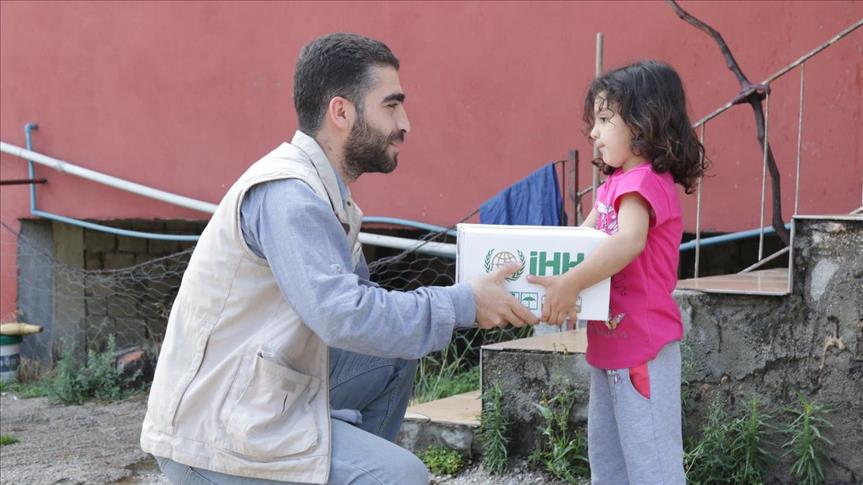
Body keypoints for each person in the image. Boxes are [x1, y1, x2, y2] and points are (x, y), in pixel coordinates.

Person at [141, 32, 538, 485]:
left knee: (392, 357)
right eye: (391, 106)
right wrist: (463, 303)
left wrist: (467, 301)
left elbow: (365, 321)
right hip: (210, 434)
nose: (405, 124)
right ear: (342, 112)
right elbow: (343, 316)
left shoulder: (325, 193)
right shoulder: (289, 196)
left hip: (254, 393)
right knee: (401, 477)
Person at [529, 60, 707, 485]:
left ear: (645, 123)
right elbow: (581, 244)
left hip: (642, 349)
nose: (593, 132)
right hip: (611, 346)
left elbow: (629, 241)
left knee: (652, 463)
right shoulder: (614, 185)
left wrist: (572, 283)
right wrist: (545, 281)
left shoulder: (643, 183)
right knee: (608, 459)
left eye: (605, 119)